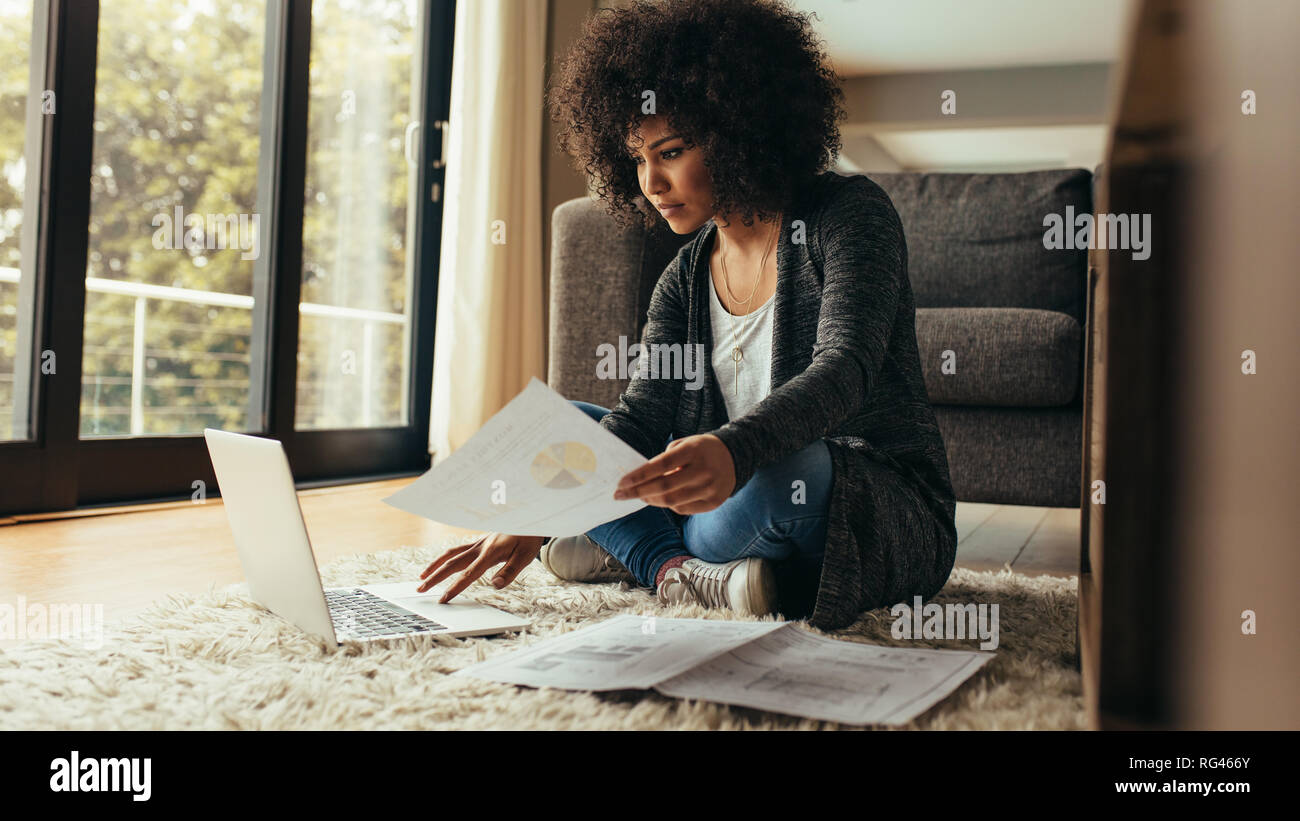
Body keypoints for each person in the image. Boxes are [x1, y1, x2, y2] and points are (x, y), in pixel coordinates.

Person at [418, 0, 957, 631]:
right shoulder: (684, 274)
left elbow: (847, 369)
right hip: (721, 508)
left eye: (669, 152)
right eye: (637, 159)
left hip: (861, 501)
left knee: (779, 472)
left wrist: (734, 450)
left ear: (740, 131)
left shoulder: (849, 215)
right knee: (567, 434)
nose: (650, 181)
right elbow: (643, 419)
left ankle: (637, 546)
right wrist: (536, 509)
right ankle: (686, 575)